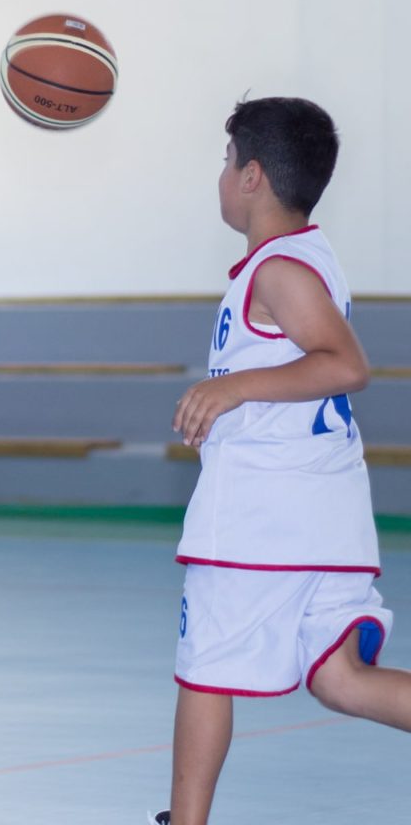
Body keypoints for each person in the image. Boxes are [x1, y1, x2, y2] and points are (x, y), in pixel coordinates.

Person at [149, 97, 411, 825]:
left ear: (252, 176)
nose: (221, 174)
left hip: (262, 517)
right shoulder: (309, 258)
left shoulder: (279, 271)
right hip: (326, 514)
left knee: (206, 669)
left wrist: (233, 387)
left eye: (227, 160)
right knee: (341, 679)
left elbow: (346, 365)